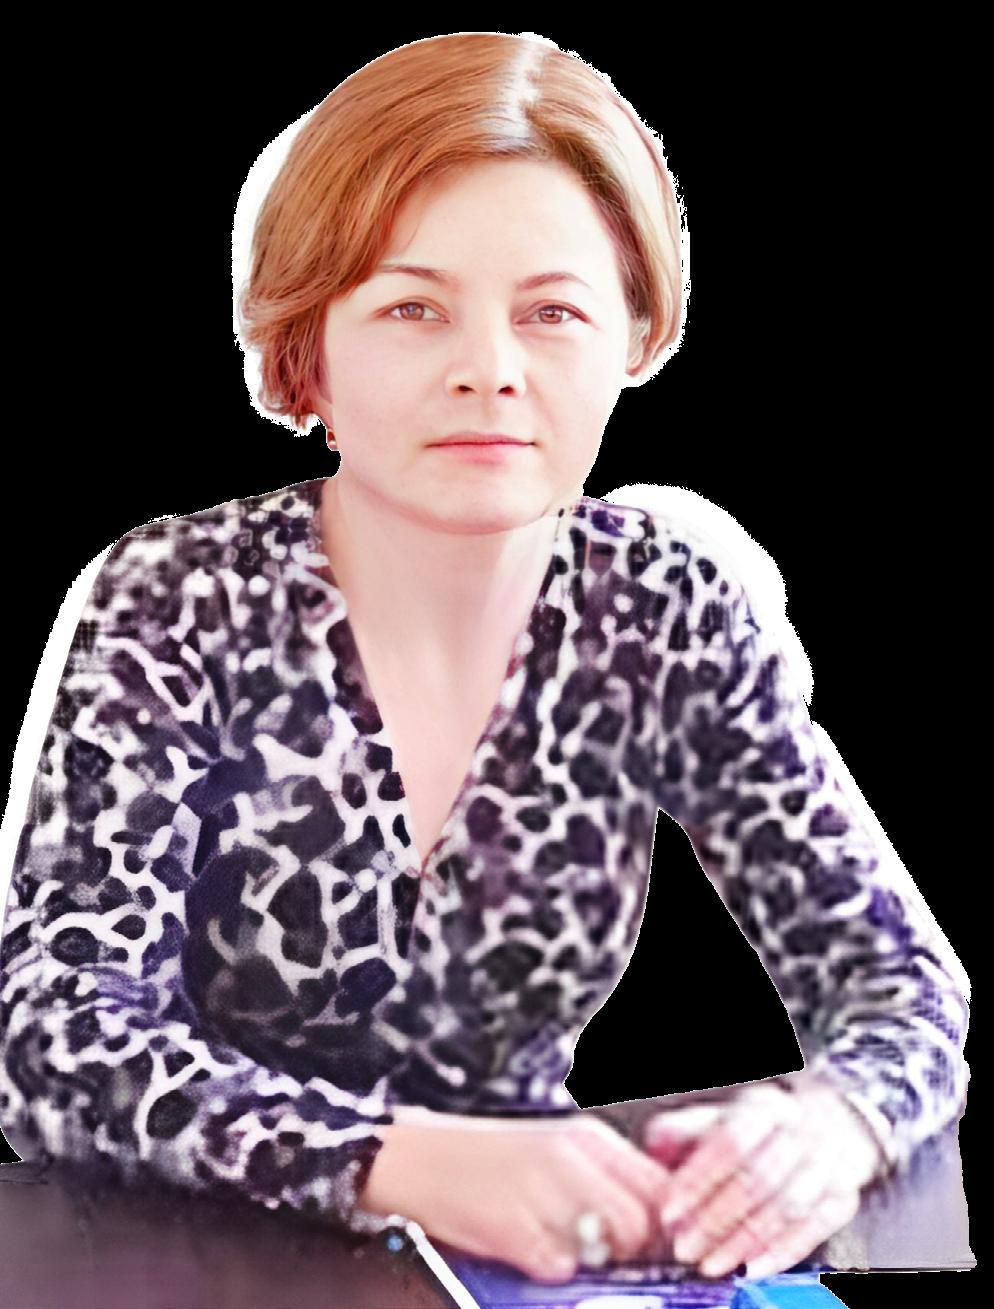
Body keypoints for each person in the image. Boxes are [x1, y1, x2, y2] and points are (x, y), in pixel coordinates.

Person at [0, 32, 969, 1288]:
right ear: (311, 342)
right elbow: (56, 1038)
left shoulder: (662, 607)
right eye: (413, 308)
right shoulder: (174, 596)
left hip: (526, 1269)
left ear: (632, 338)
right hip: (168, 1269)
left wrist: (833, 1123)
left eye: (551, 313)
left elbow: (899, 983)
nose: (490, 372)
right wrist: (394, 1159)